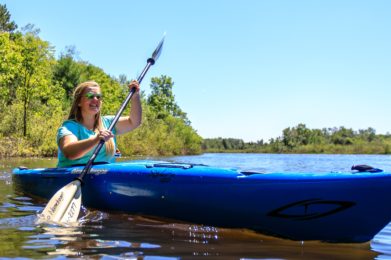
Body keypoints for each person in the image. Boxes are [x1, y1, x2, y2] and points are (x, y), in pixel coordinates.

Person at [56, 80, 141, 167]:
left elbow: (134, 122)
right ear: (79, 102)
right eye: (90, 96)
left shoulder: (109, 123)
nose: (95, 99)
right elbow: (70, 152)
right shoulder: (69, 127)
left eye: (98, 96)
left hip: (104, 176)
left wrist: (135, 96)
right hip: (72, 177)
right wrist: (96, 139)